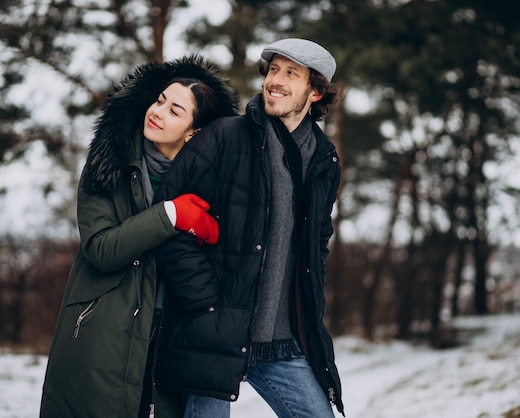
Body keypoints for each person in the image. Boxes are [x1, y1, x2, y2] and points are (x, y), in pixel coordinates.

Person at [39, 55, 239, 418]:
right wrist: (171, 214)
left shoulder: (214, 185)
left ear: (193, 132)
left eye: (175, 110)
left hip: (172, 343)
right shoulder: (109, 166)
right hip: (102, 332)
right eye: (160, 100)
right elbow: (100, 248)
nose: (158, 111)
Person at [154, 38, 344, 417]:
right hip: (213, 332)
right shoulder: (224, 137)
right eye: (274, 69)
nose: (276, 79)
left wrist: (309, 309)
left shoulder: (324, 161)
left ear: (316, 91)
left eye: (291, 73)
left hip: (283, 343)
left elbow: (317, 245)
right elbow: (169, 222)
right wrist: (206, 303)